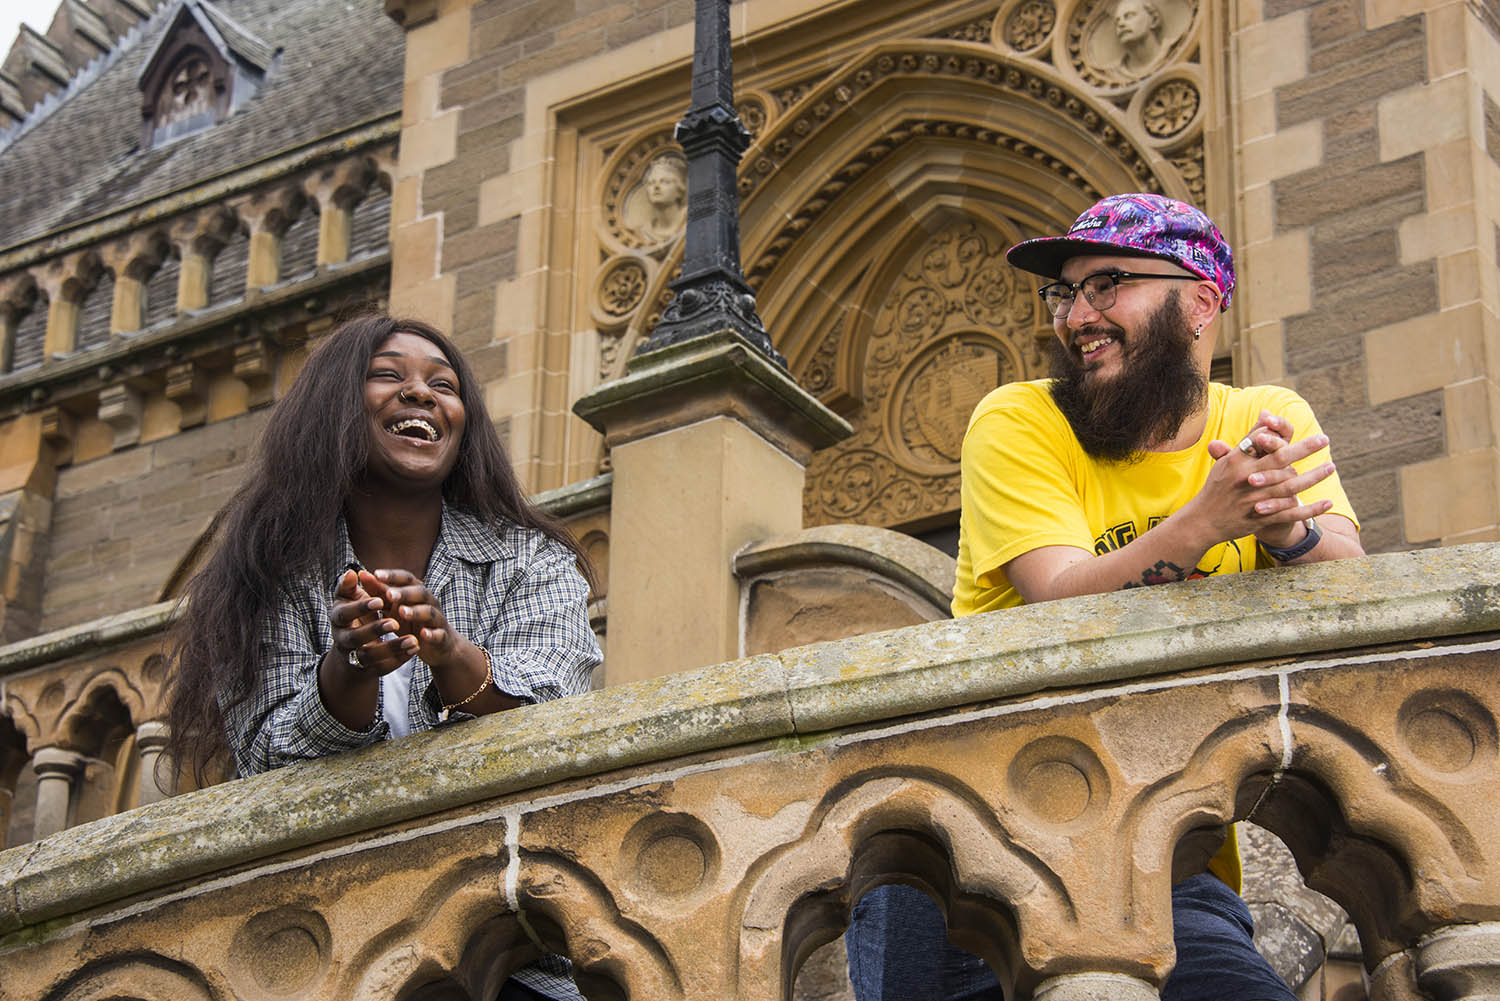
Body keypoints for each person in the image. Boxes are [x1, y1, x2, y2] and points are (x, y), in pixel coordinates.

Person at [846, 193, 1362, 1001]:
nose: (1076, 314)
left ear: (1199, 301)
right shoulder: (1019, 420)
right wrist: (1202, 524)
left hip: (1167, 861)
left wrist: (1286, 530)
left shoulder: (1265, 416)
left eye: (1107, 283)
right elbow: (1057, 601)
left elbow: (1349, 577)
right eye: (1064, 292)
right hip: (970, 858)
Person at [164, 314, 603, 1001]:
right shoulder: (271, 573)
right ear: (336, 406)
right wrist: (349, 669)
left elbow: (559, 718)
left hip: (514, 956)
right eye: (388, 375)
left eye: (443, 384)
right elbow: (266, 762)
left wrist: (449, 653)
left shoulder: (529, 560)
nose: (422, 394)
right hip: (331, 941)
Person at [1112, 0, 1166, 75]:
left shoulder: (1175, 49)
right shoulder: (1116, 73)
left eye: (1129, 16)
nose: (1120, 24)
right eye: (1117, 22)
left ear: (1154, 19)